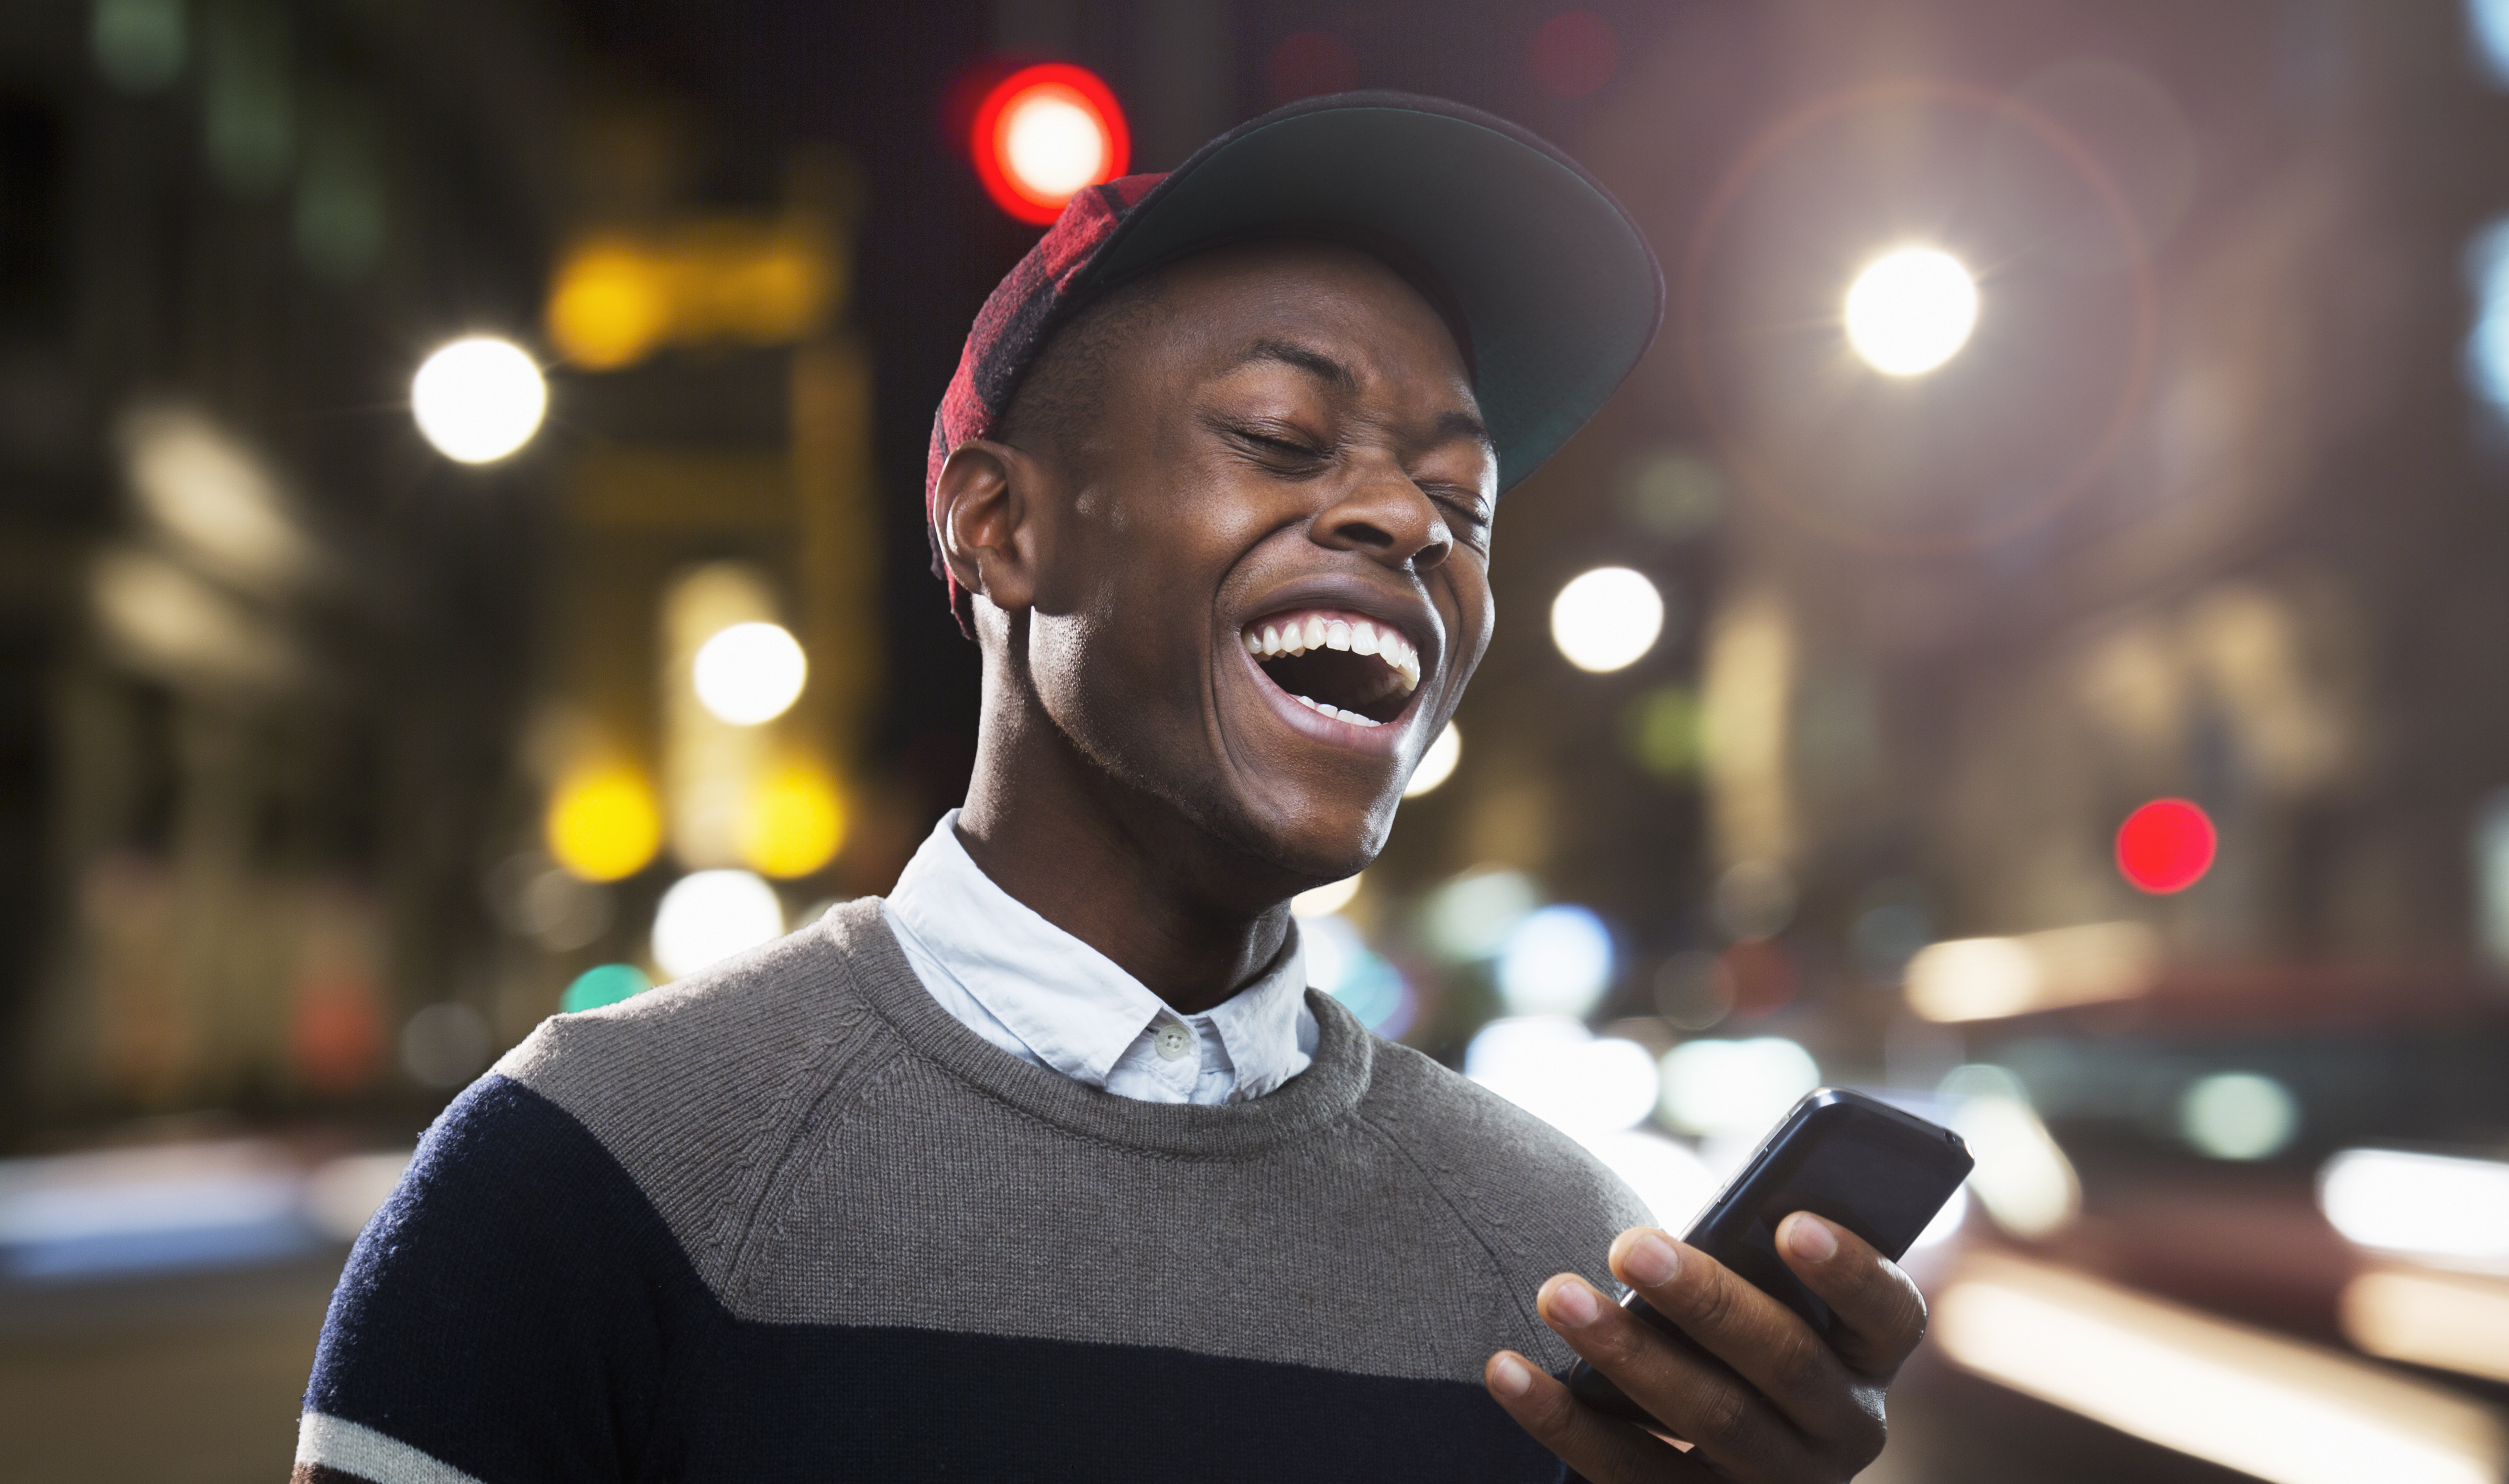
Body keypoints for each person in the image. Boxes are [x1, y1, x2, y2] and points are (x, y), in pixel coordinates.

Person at [292, 93, 1926, 1484]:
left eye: (1466, 498)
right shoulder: (586, 1172)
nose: (1412, 524)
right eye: (1287, 432)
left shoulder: (1570, 1257)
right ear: (1002, 526)